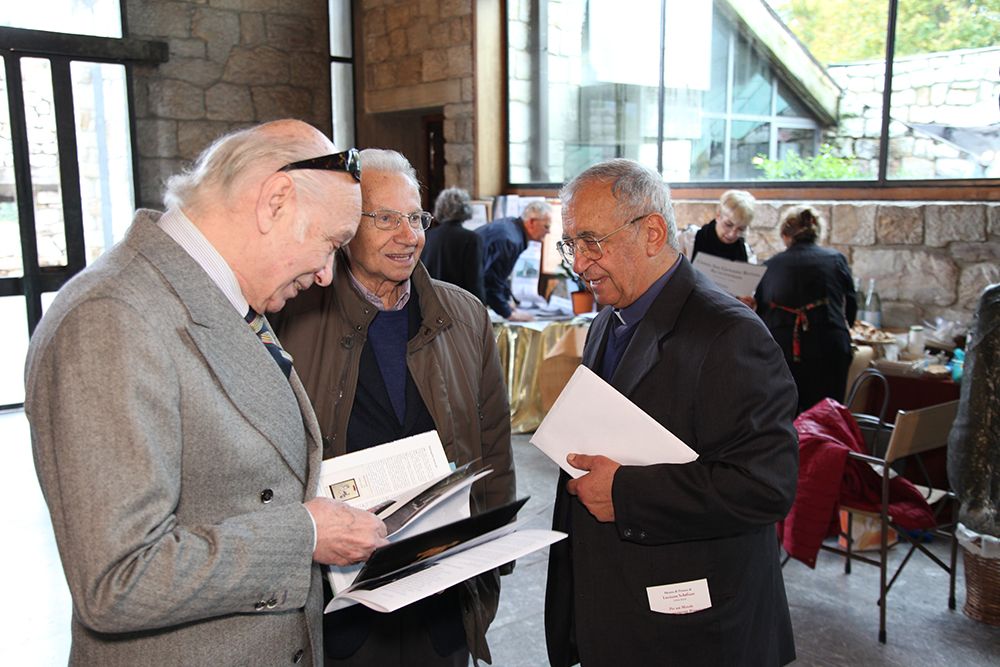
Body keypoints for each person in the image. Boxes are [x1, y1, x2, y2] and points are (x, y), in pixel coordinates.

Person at [23, 120, 389, 666]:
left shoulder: (214, 297)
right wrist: (305, 534)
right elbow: (119, 580)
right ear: (275, 202)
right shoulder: (110, 319)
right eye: (331, 243)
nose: (324, 274)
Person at [544, 159, 799, 666]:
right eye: (571, 245)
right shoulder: (608, 320)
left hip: (694, 629)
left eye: (592, 241)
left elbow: (766, 485)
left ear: (653, 233)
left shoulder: (729, 333)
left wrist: (625, 493)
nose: (579, 262)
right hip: (618, 607)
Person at [274, 149, 515, 667]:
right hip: (343, 606)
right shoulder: (292, 317)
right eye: (385, 218)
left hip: (442, 595)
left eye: (415, 218)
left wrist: (492, 554)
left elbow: (493, 436)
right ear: (344, 225)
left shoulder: (465, 315)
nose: (409, 236)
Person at [755, 205, 857, 414]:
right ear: (817, 233)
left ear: (784, 235)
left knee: (785, 415)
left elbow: (762, 313)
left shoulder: (769, 266)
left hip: (783, 351)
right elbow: (851, 304)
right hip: (829, 346)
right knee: (827, 416)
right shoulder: (835, 259)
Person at [476, 199, 552, 321]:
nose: (548, 231)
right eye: (546, 226)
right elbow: (491, 281)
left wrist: (507, 301)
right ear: (532, 222)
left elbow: (500, 276)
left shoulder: (512, 227)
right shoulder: (512, 240)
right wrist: (509, 314)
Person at [421, 186, 486, 302]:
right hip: (458, 303)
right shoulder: (471, 239)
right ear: (465, 208)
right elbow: (474, 281)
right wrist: (481, 307)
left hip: (429, 302)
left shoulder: (427, 236)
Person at [689, 189, 757, 264]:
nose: (732, 234)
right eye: (728, 224)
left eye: (741, 229)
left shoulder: (747, 253)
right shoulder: (689, 241)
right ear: (718, 215)